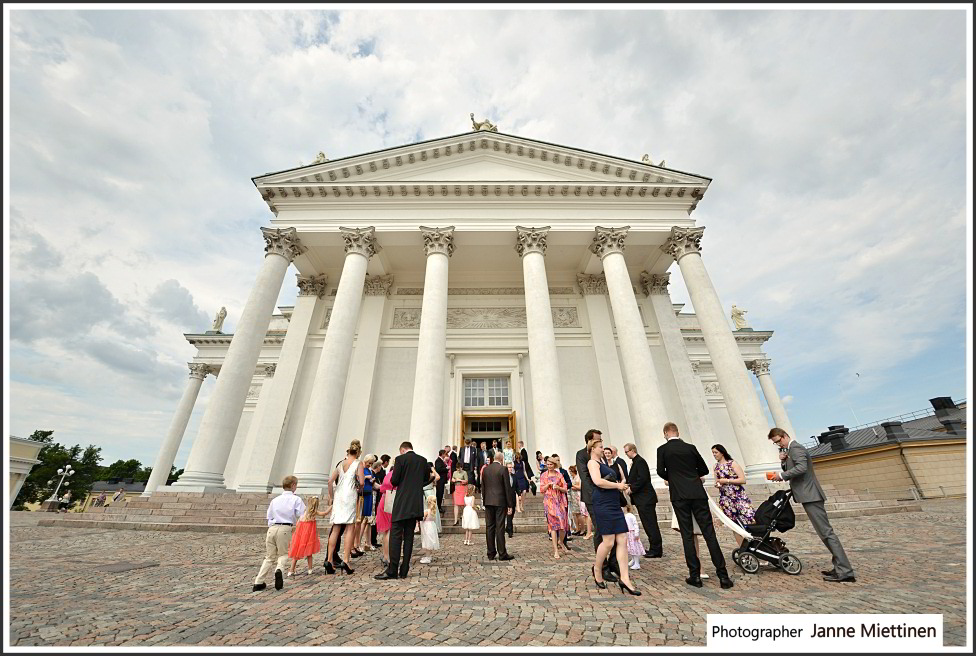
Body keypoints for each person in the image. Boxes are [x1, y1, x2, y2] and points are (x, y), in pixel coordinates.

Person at [769, 427, 856, 583]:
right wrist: (783, 462)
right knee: (824, 534)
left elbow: (802, 468)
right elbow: (795, 467)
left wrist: (781, 475)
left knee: (827, 533)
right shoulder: (790, 450)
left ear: (783, 436)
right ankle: (839, 567)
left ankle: (845, 571)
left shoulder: (796, 448)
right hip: (807, 496)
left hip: (811, 495)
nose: (778, 445)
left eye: (777, 441)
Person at [657, 422, 733, 589]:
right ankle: (723, 577)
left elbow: (660, 471)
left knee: (687, 535)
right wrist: (691, 475)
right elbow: (704, 469)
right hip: (697, 494)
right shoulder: (690, 447)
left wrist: (675, 476)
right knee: (709, 534)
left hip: (679, 495)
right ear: (678, 432)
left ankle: (695, 576)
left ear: (665, 434)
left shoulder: (662, 450)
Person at [585, 437, 640, 595]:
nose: (603, 449)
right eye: (601, 447)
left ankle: (625, 579)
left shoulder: (603, 463)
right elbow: (598, 481)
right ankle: (597, 569)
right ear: (593, 448)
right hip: (602, 504)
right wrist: (618, 485)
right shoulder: (592, 463)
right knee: (608, 542)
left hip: (613, 503)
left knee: (622, 539)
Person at [376, 441, 430, 581]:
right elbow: (426, 478)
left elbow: (394, 480)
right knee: (409, 537)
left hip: (401, 503)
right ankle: (404, 568)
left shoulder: (400, 459)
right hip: (415, 503)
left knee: (396, 536)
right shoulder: (422, 460)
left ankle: (393, 569)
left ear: (402, 450)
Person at [576, 429, 619, 582]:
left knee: (615, 530)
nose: (601, 443)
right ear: (589, 441)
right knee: (600, 531)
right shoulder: (582, 455)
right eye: (598, 440)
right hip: (594, 498)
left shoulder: (601, 455)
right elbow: (585, 478)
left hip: (609, 498)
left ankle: (614, 563)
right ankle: (602, 567)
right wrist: (599, 492)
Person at [253, 475, 306, 592]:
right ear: (293, 485)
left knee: (269, 557)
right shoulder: (296, 499)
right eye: (296, 485)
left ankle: (258, 581)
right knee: (283, 554)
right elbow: (303, 515)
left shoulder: (275, 500)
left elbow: (269, 516)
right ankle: (279, 570)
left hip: (272, 529)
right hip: (285, 528)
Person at [325, 440, 365, 575]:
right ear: (358, 452)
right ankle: (346, 560)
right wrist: (359, 487)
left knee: (336, 528)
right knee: (349, 528)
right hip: (350, 495)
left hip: (339, 495)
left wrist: (331, 496)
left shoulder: (341, 463)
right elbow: (361, 482)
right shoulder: (358, 463)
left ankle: (329, 560)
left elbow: (330, 481)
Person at [623, 442, 663, 558]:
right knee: (648, 524)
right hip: (642, 499)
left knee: (650, 524)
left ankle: (656, 549)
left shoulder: (640, 461)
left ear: (632, 450)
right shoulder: (636, 462)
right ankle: (654, 547)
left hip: (645, 498)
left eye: (627, 452)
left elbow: (643, 479)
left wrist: (632, 488)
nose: (626, 454)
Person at [711, 444, 755, 547]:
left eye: (716, 452)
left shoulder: (732, 463)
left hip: (739, 496)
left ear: (722, 452)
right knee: (734, 524)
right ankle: (742, 549)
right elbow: (716, 481)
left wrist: (726, 481)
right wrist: (718, 484)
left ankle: (755, 544)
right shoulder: (715, 466)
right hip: (726, 499)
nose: (714, 455)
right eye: (713, 453)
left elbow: (742, 479)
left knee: (750, 518)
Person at [481, 453, 515, 561]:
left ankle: (490, 553)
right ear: (502, 459)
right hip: (500, 502)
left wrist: (485, 500)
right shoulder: (503, 469)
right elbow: (507, 487)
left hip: (488, 501)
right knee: (499, 527)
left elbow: (483, 487)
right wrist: (510, 504)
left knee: (489, 527)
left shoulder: (486, 469)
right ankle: (502, 553)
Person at [287, 496, 327, 577]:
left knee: (296, 552)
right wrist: (331, 507)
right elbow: (324, 513)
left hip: (300, 534)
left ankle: (291, 570)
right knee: (309, 552)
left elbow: (299, 522)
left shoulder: (305, 511)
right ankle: (310, 569)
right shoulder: (314, 512)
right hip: (308, 534)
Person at [541, 457, 570, 559]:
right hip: (549, 502)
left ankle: (561, 541)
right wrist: (547, 485)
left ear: (554, 465)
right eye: (547, 465)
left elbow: (565, 489)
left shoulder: (559, 475)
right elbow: (541, 489)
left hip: (560, 501)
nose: (549, 466)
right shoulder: (544, 475)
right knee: (553, 526)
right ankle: (555, 550)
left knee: (563, 524)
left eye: (551, 464)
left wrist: (558, 487)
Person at [355, 455, 378, 553]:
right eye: (369, 462)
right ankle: (357, 543)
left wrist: (373, 481)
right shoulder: (361, 468)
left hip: (369, 494)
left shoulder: (369, 470)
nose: (370, 465)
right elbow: (357, 478)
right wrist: (366, 477)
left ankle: (362, 543)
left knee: (365, 518)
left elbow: (374, 484)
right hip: (362, 494)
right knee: (359, 520)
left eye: (372, 463)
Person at [375, 465, 395, 569]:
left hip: (384, 500)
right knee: (390, 530)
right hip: (392, 501)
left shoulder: (388, 474)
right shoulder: (398, 474)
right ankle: (389, 557)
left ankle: (386, 555)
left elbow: (382, 488)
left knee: (386, 531)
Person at [419, 496, 441, 564]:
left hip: (426, 527)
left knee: (427, 541)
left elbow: (422, 519)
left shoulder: (426, 511)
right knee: (429, 541)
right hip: (431, 526)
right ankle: (428, 555)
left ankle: (428, 557)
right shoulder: (433, 511)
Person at [422, 462, 442, 534]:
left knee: (429, 510)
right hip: (429, 492)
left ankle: (430, 528)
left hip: (427, 492)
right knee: (432, 510)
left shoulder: (427, 476)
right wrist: (433, 469)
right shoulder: (431, 475)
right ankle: (433, 528)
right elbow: (438, 477)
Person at [624, 504, 643, 570]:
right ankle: (633, 560)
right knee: (631, 548)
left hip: (632, 534)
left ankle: (637, 563)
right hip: (627, 534)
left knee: (634, 548)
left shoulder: (630, 516)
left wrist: (636, 533)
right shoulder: (623, 516)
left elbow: (635, 524)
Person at [451, 461, 468, 525]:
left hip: (462, 488)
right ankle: (455, 520)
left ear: (461, 467)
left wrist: (460, 480)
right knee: (456, 504)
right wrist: (453, 480)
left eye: (459, 468)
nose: (458, 469)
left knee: (462, 504)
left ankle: (463, 515)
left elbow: (466, 481)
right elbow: (453, 478)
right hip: (456, 488)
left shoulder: (464, 472)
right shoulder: (455, 472)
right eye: (457, 468)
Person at [568, 465, 583, 536]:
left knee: (579, 513)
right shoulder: (572, 478)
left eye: (570, 471)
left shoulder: (578, 477)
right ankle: (577, 528)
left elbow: (580, 487)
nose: (570, 473)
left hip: (577, 496)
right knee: (574, 514)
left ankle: (582, 529)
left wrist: (573, 486)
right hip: (572, 496)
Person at [434, 449, 449, 514]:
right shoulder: (438, 461)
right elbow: (438, 469)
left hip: (442, 480)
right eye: (445, 454)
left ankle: (439, 507)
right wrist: (446, 468)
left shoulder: (441, 460)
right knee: (439, 494)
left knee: (441, 494)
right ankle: (438, 507)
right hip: (440, 480)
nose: (445, 455)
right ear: (442, 454)